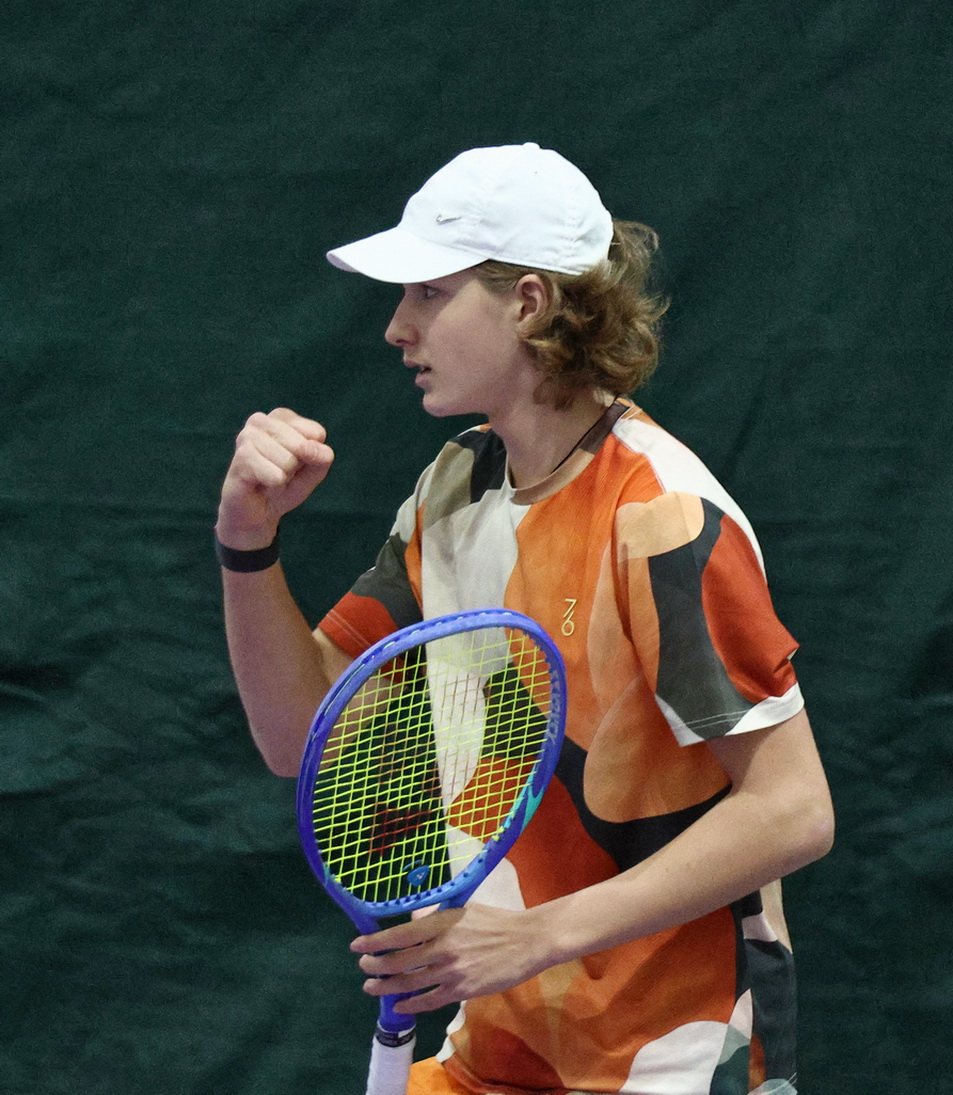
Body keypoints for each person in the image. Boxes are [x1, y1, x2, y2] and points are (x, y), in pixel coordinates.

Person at [215, 142, 834, 1095]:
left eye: (429, 292)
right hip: (496, 1051)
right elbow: (300, 739)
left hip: (665, 1066)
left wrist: (535, 935)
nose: (396, 327)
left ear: (530, 302)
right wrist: (246, 543)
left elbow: (792, 809)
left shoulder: (660, 517)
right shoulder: (456, 484)